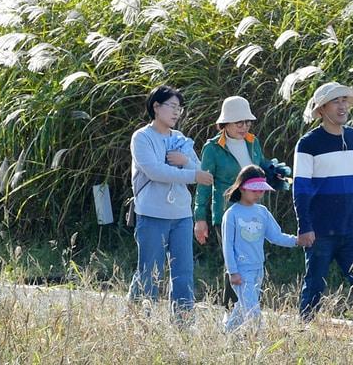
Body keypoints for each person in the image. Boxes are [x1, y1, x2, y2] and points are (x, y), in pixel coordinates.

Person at [294, 82, 353, 326]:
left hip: (351, 226)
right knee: (315, 284)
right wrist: (305, 226)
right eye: (336, 101)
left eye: (345, 100)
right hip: (320, 229)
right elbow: (300, 189)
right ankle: (305, 330)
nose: (343, 105)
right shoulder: (308, 143)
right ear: (321, 109)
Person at [128, 85, 213, 322]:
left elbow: (201, 171)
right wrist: (191, 175)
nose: (177, 113)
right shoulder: (142, 137)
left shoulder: (181, 140)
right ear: (156, 107)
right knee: (149, 271)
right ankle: (139, 318)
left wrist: (185, 161)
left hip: (181, 215)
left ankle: (183, 322)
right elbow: (155, 171)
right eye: (172, 107)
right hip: (152, 213)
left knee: (183, 271)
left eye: (180, 108)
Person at [194, 96, 266, 306]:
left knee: (253, 262)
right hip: (226, 213)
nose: (244, 127)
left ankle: (248, 308)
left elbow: (259, 173)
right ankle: (232, 312)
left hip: (253, 211)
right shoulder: (213, 148)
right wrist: (200, 218)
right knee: (235, 264)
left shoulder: (253, 142)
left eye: (248, 122)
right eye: (239, 123)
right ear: (225, 123)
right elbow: (204, 184)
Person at [221, 165, 302, 332]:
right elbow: (227, 245)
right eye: (254, 190)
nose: (258, 194)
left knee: (242, 309)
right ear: (242, 188)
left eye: (261, 190)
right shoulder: (232, 214)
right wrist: (233, 271)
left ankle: (227, 336)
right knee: (252, 311)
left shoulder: (262, 212)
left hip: (258, 269)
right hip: (241, 271)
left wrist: (296, 241)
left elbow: (275, 236)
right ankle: (260, 340)